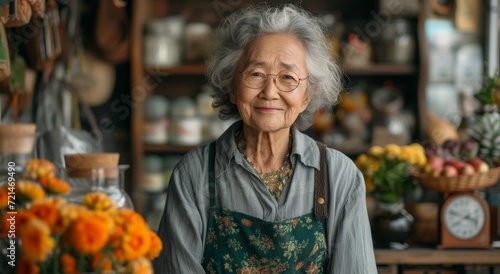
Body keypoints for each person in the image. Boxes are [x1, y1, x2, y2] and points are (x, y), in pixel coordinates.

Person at [153, 4, 377, 273]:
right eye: (256, 74)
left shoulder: (340, 176)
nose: (270, 92)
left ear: (307, 95)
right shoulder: (194, 173)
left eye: (288, 78)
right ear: (232, 87)